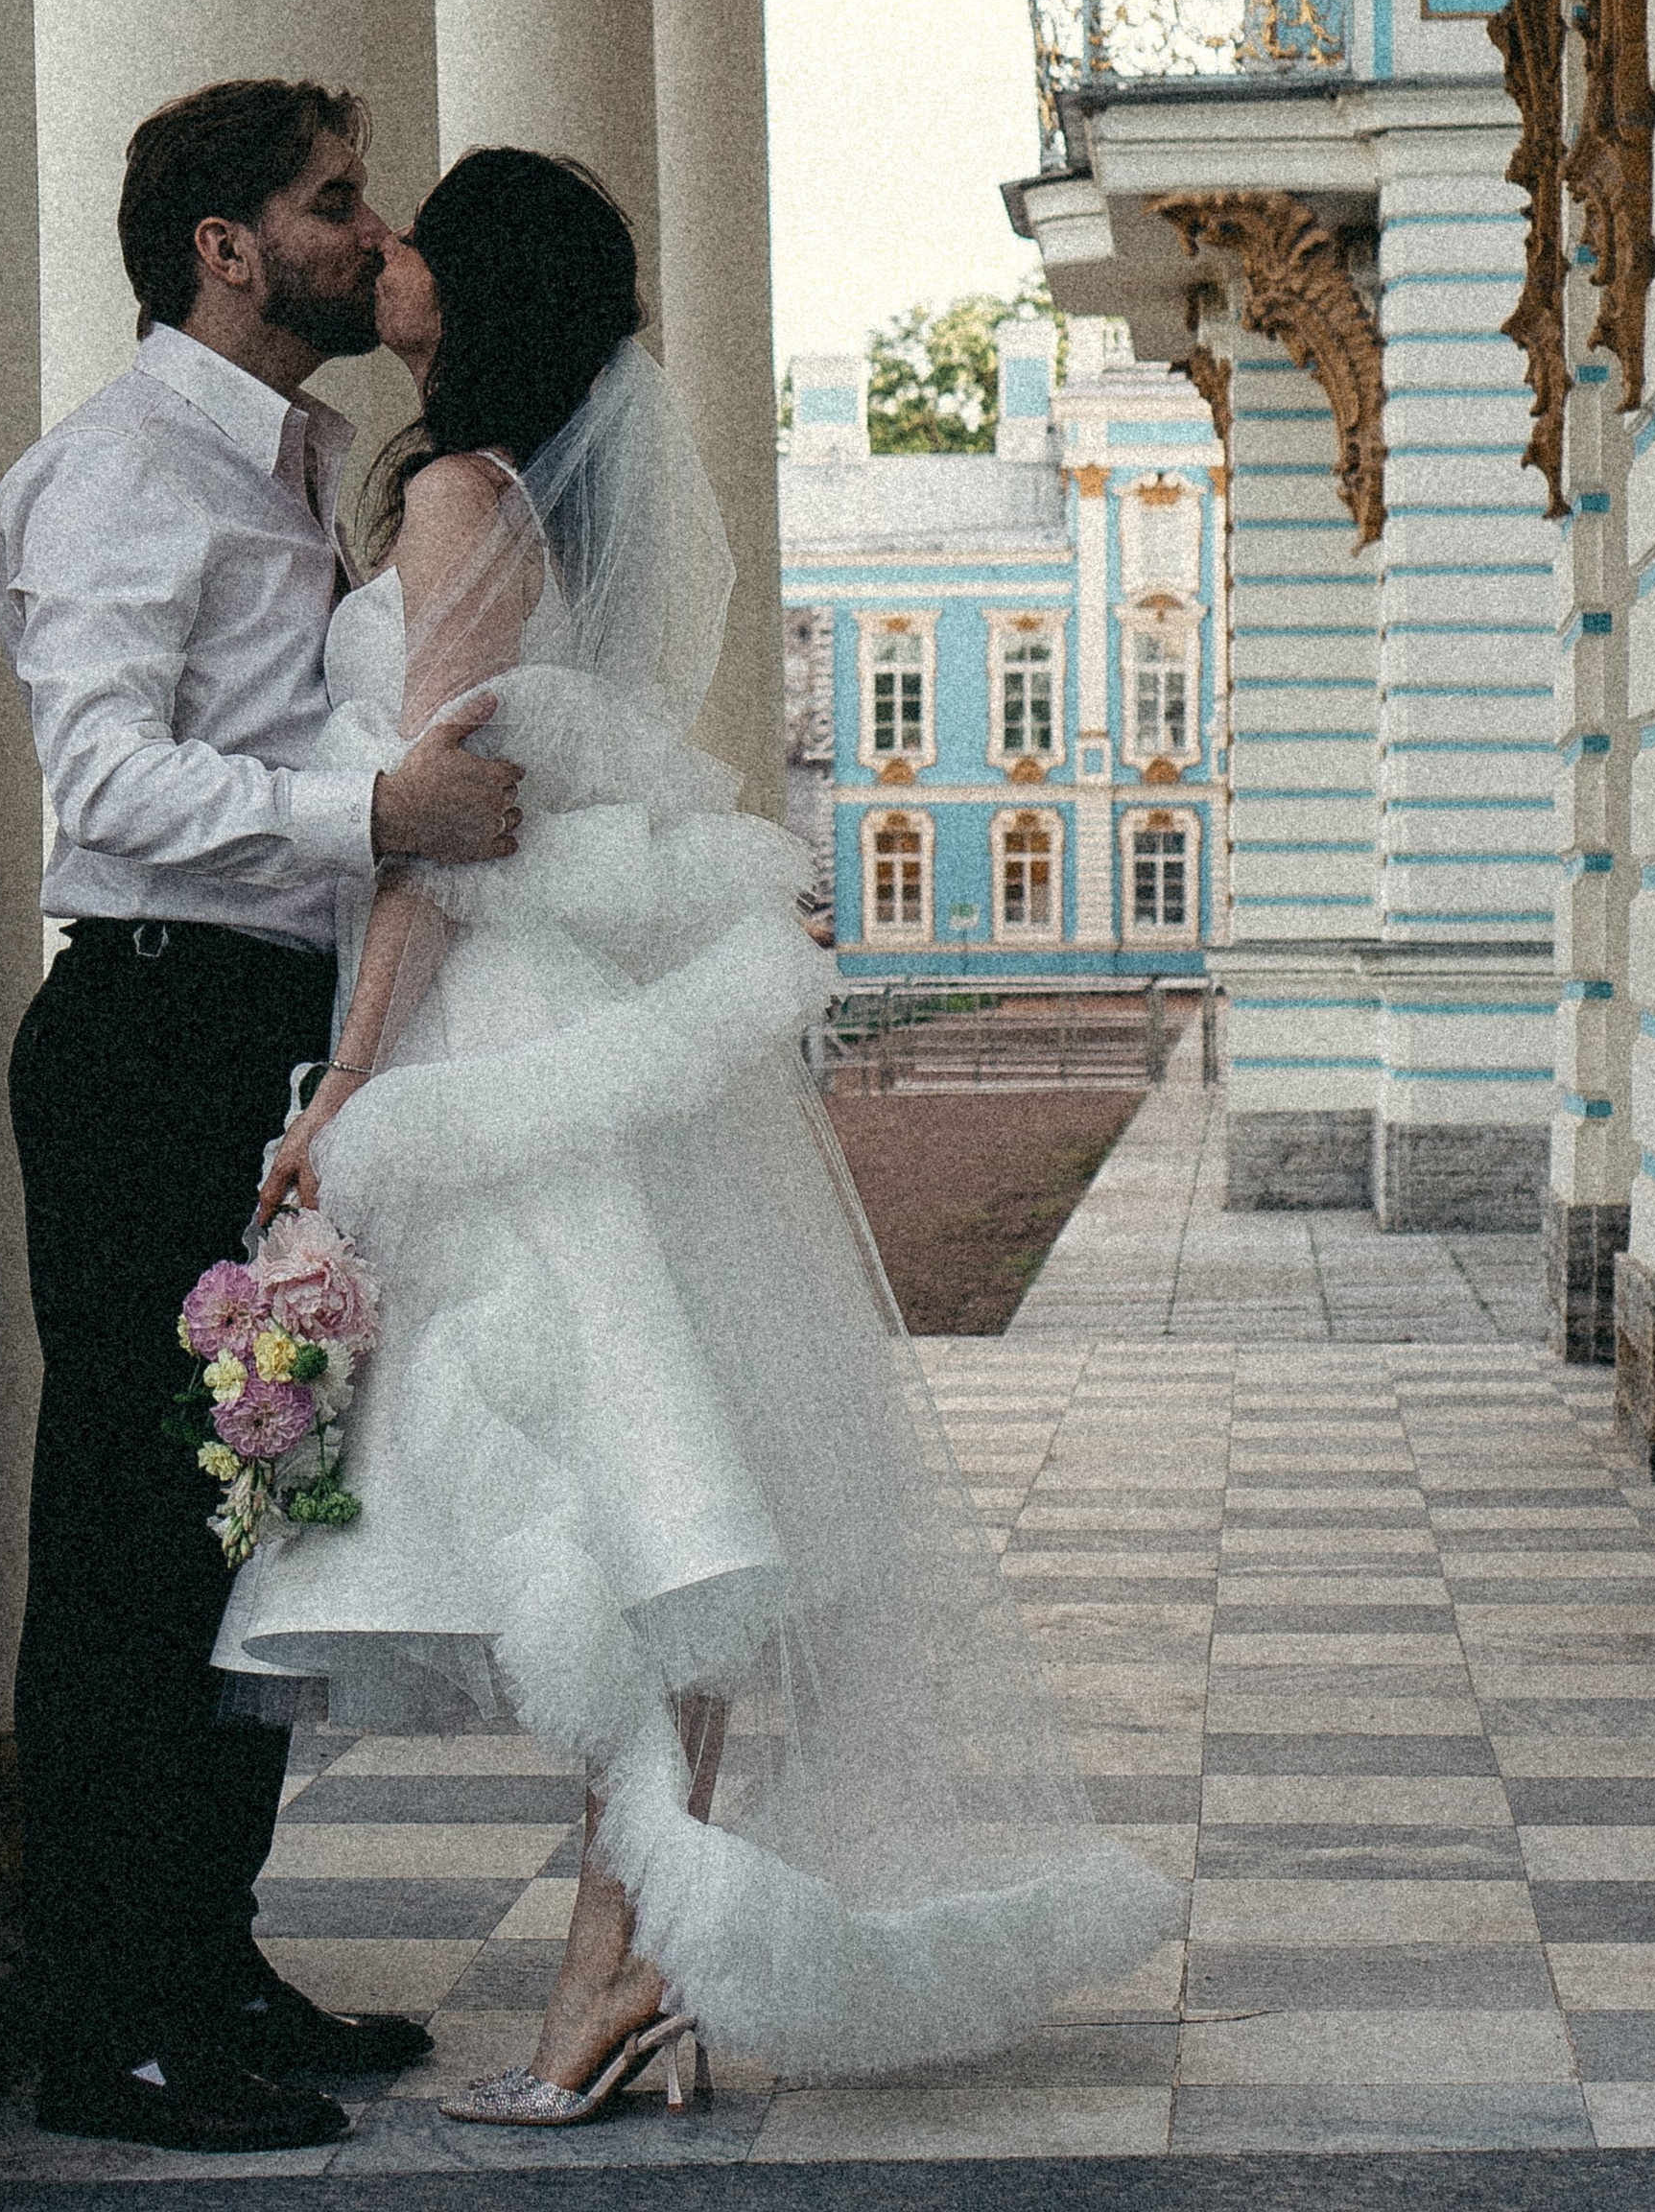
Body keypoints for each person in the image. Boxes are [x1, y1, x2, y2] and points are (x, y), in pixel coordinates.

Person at [218, 147, 1180, 2118]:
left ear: (464, 293)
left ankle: (622, 1952)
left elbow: (439, 821)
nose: (379, 256)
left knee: (635, 1493)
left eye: (409, 243)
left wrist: (348, 1086)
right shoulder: (511, 493)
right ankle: (629, 1949)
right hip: (570, 1016)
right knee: (658, 1495)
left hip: (498, 1023)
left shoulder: (458, 496)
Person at [0, 79, 527, 2154]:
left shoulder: (288, 461)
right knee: (126, 1542)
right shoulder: (120, 471)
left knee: (240, 1519)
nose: (360, 228)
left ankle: (200, 1957)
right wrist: (367, 812)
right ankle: (102, 2023)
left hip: (257, 1037)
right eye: (328, 203)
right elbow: (104, 785)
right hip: (143, 1035)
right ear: (220, 244)